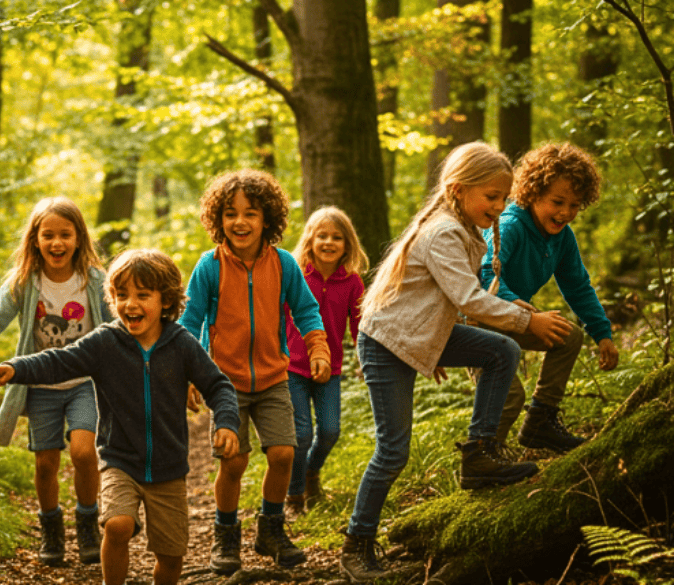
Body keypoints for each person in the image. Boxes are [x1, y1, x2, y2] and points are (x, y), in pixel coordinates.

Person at [338, 142, 574, 584]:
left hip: (419, 333)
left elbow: (454, 299)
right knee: (393, 452)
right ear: (458, 189)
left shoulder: (464, 229)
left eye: (505, 197)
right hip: (388, 341)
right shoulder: (444, 232)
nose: (500, 206)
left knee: (500, 350)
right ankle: (356, 544)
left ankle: (479, 455)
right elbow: (469, 299)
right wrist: (529, 320)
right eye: (492, 196)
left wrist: (434, 343)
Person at [0, 248, 240, 585]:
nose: (130, 304)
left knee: (171, 556)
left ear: (166, 301)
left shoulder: (181, 344)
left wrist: (228, 423)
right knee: (117, 525)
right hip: (119, 460)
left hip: (169, 467)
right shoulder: (106, 342)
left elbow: (218, 385)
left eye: (142, 295)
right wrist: (15, 368)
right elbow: (59, 361)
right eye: (122, 295)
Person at [180, 169, 332, 574]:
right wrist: (188, 374)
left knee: (284, 452)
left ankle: (271, 528)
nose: (240, 222)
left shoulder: (283, 264)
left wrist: (318, 348)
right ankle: (225, 535)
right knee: (233, 462)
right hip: (223, 385)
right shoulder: (209, 267)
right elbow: (189, 322)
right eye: (230, 213)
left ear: (268, 220)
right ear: (218, 219)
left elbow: (306, 310)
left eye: (251, 213)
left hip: (273, 379)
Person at [0, 197, 108, 566]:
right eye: (48, 235)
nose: (57, 242)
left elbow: (120, 322)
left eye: (65, 234)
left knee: (83, 452)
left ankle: (88, 522)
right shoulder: (25, 282)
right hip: (41, 384)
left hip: (85, 382)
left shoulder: (93, 280)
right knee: (45, 462)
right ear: (35, 239)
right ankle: (51, 528)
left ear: (79, 238)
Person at [480, 142, 619, 452]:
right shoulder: (511, 226)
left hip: (515, 315)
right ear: (533, 193)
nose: (565, 213)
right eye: (558, 202)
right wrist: (528, 318)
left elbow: (578, 287)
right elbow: (485, 277)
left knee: (568, 336)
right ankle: (484, 455)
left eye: (575, 205)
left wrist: (603, 334)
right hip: (477, 319)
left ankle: (540, 422)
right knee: (507, 394)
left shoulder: (562, 238)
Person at [283, 206, 368, 514]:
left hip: (329, 368)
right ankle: (294, 496)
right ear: (310, 240)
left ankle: (310, 473)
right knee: (301, 433)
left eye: (337, 237)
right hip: (292, 366)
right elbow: (278, 316)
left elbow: (359, 326)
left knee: (330, 430)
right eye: (322, 236)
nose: (329, 243)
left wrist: (363, 358)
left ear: (347, 244)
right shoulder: (295, 275)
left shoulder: (353, 283)